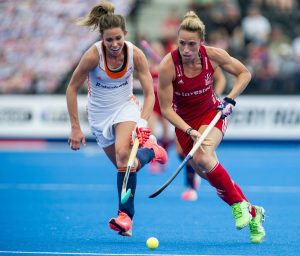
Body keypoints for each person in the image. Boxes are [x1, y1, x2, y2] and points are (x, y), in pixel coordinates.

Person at [157, 11, 266, 243]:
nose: (186, 50)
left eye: (192, 44)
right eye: (182, 44)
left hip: (212, 114)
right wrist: (188, 130)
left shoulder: (214, 56)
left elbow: (244, 73)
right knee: (209, 174)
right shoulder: (168, 65)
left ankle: (238, 206)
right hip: (185, 123)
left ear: (201, 43)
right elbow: (166, 109)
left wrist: (230, 99)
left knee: (204, 158)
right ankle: (254, 212)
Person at [66, 1, 168, 237]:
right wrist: (75, 127)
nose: (114, 44)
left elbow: (149, 92)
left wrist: (142, 121)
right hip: (99, 117)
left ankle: (125, 218)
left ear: (126, 35)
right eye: (108, 40)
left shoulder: (135, 54)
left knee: (124, 154)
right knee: (126, 166)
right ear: (101, 38)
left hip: (125, 108)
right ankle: (152, 151)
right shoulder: (93, 55)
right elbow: (72, 88)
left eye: (118, 39)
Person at [179, 67, 226, 201]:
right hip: (184, 113)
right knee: (180, 151)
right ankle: (221, 181)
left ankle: (191, 186)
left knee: (201, 155)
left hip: (205, 111)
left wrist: (217, 94)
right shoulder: (172, 62)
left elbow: (221, 79)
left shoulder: (208, 60)